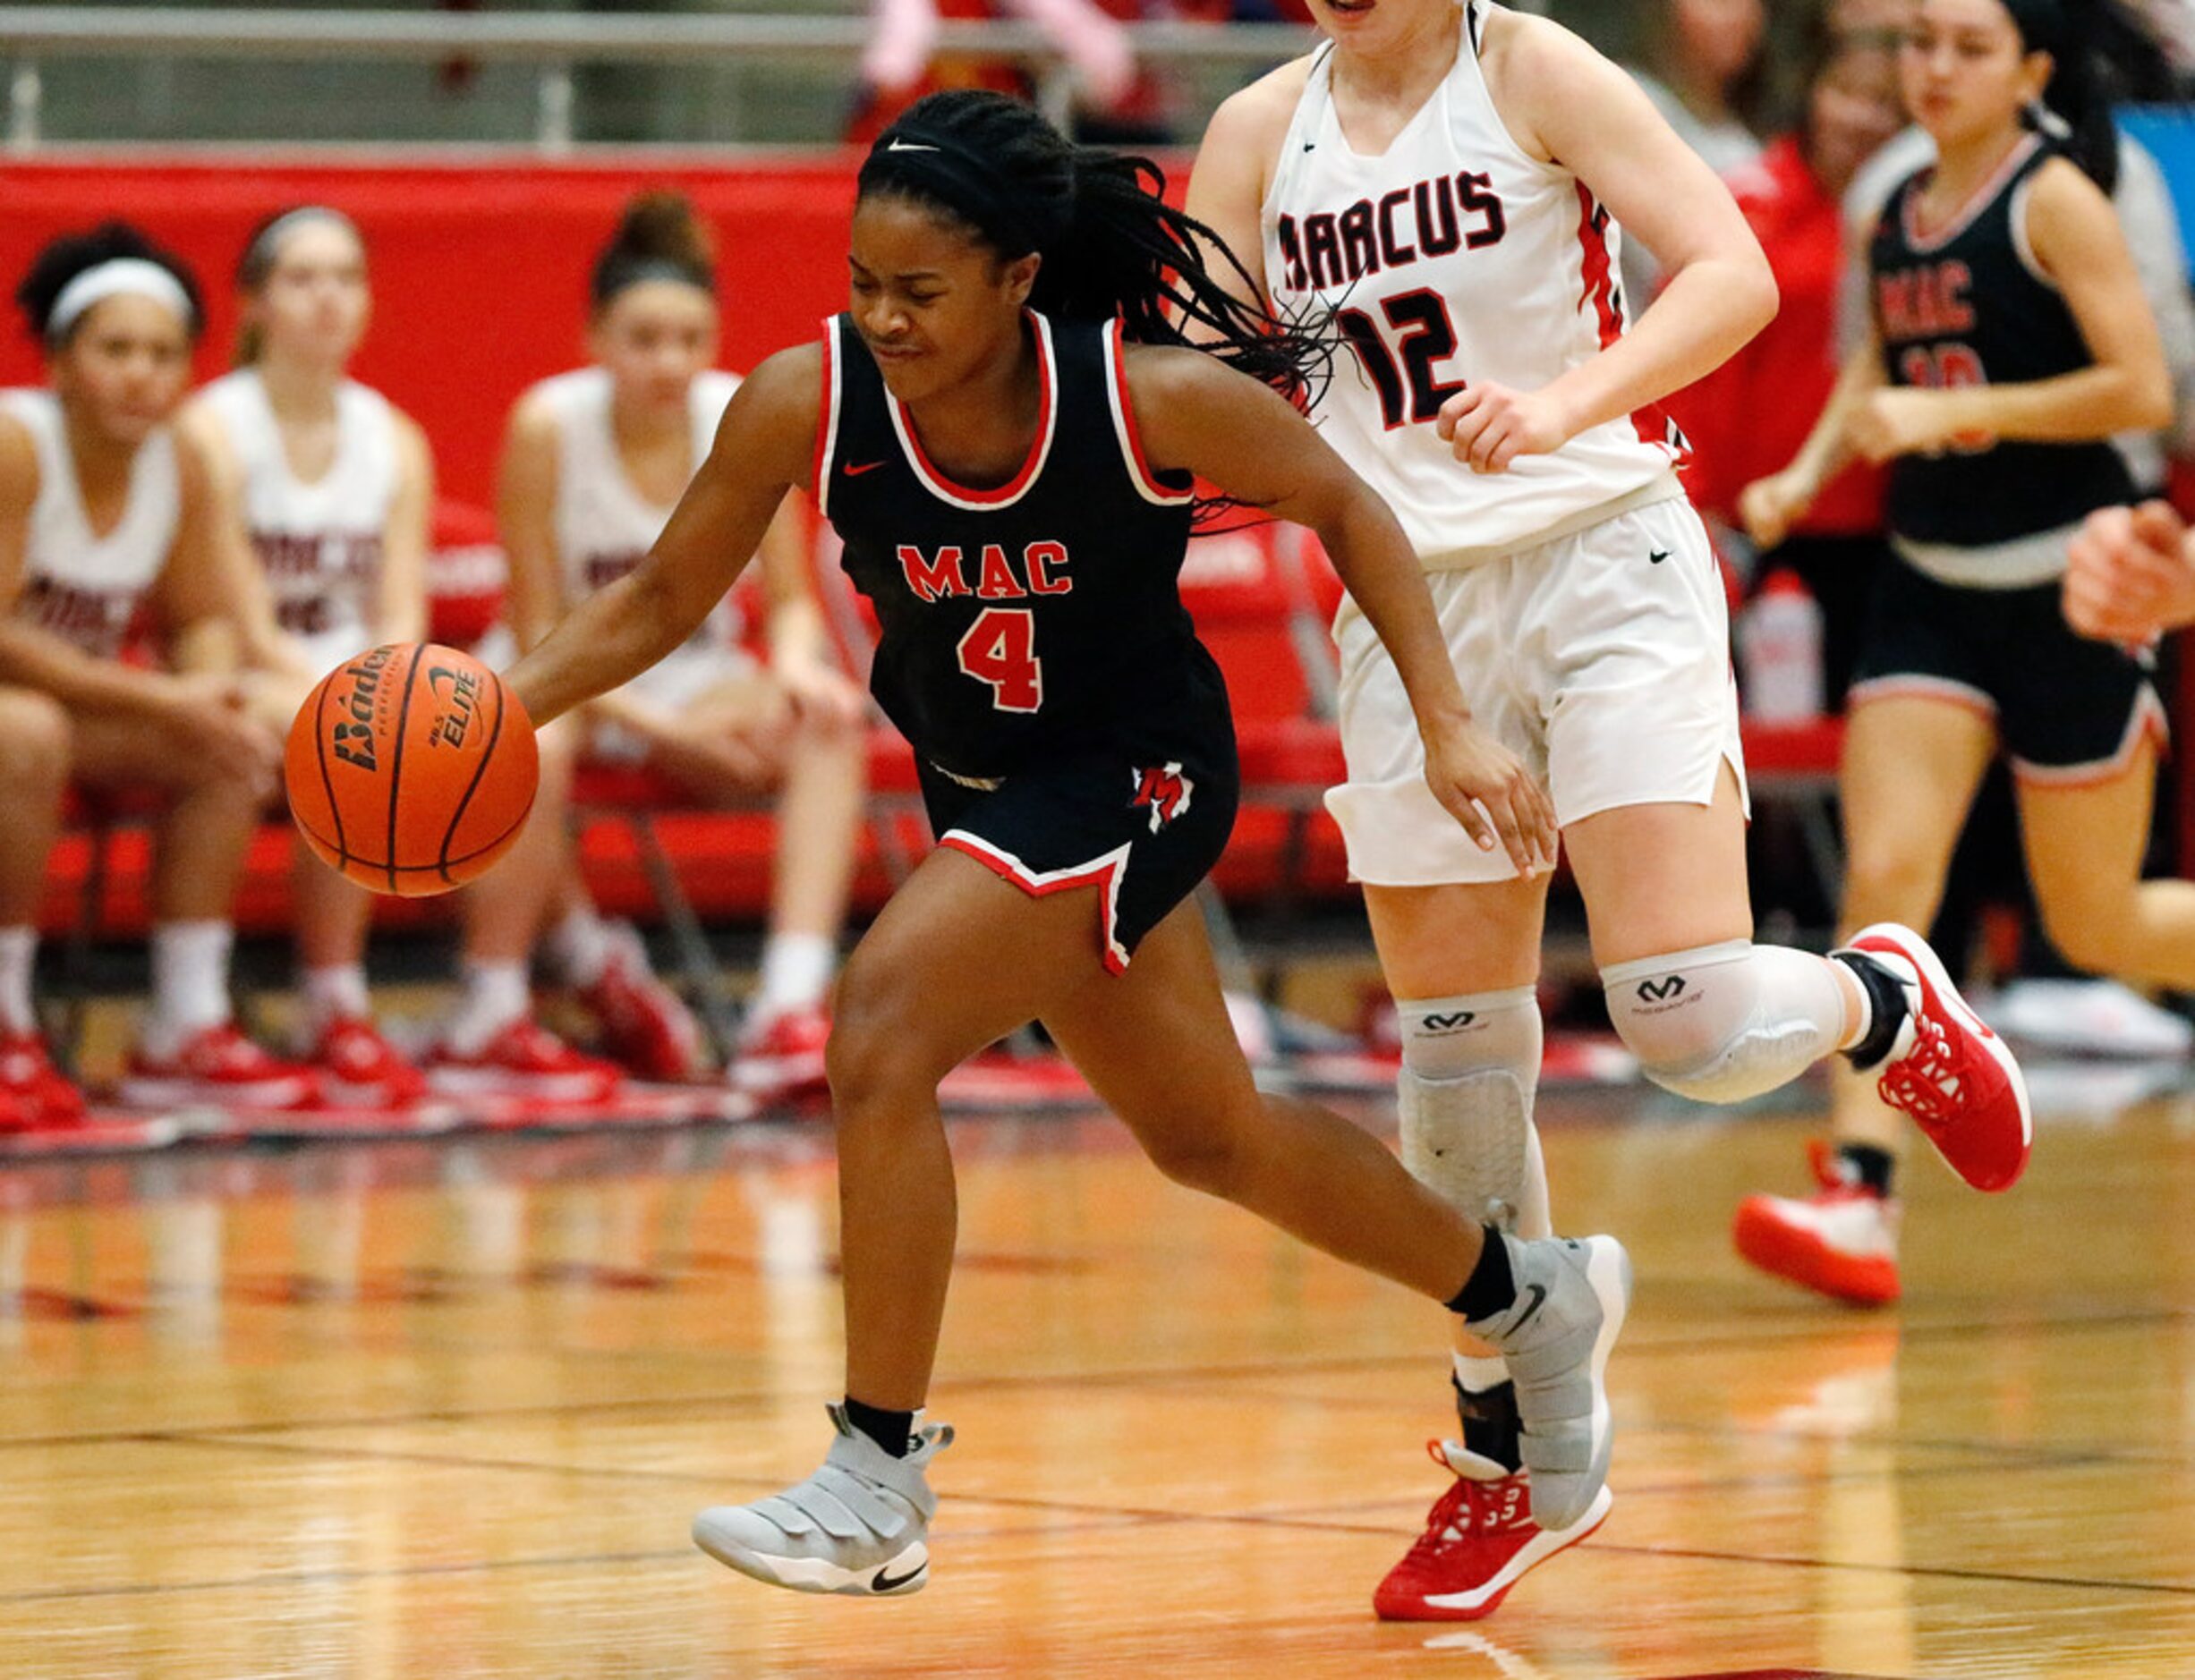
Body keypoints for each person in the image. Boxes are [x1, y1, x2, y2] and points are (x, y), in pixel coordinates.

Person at [500, 87, 1633, 1600]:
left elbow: (1349, 508)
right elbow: (654, 601)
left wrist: (1443, 717)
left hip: (1139, 771)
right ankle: (1526, 1298)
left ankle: (876, 1473)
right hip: (985, 785)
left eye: (919, 291)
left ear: (1017, 279)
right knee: (1209, 1137)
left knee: (880, 1033)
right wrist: (504, 704)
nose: (881, 319)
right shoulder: (803, 398)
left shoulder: (1140, 395)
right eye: (862, 285)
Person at [1183, 0, 2029, 1623]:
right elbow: (1203, 371)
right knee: (1452, 1073)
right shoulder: (1249, 134)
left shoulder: (1531, 67)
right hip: (1401, 604)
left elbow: (1733, 272)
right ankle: (1521, 1460)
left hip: (1600, 556)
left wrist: (1568, 399)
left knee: (1682, 1013)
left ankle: (1877, 997)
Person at [1733, 0, 2182, 1304]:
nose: (1931, 70)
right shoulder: (1896, 205)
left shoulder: (2060, 201)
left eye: (1967, 49)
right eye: (1918, 45)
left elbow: (2142, 390)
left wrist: (1958, 408)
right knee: (1890, 874)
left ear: (2031, 71)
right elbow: (1879, 364)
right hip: (1928, 589)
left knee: (2098, 921)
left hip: (2071, 587)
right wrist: (1803, 470)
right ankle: (1857, 1199)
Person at [182, 205, 625, 1110]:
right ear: (255, 303)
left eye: (346, 278)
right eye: (304, 279)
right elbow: (236, 614)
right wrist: (358, 701)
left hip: (345, 678)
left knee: (512, 735)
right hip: (239, 674)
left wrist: (393, 692)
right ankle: (327, 1000)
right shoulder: (212, 430)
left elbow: (398, 614)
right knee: (352, 731)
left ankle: (490, 1006)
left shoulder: (393, 438)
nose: (328, 299)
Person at [494, 192, 868, 1100]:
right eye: (642, 338)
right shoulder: (546, 427)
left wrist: (790, 665)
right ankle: (499, 1003)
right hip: (569, 679)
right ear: (595, 339)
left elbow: (788, 603)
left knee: (829, 717)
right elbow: (543, 633)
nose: (667, 361)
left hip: (693, 676)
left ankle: (786, 1004)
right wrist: (667, 738)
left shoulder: (744, 412)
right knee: (524, 744)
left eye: (687, 339)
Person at [0, 223, 320, 1124]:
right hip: (25, 714)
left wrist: (208, 691)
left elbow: (203, 617)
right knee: (24, 733)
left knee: (232, 738)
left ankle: (186, 1023)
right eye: (115, 350)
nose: (140, 373)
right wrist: (163, 694)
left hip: (68, 709)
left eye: (162, 354)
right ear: (59, 362)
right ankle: (7, 1023)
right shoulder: (16, 447)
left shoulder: (179, 458)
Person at [1664, 18, 1905, 704]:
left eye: (1884, 101)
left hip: (1880, 523)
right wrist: (1693, 503)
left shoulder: (1916, 215)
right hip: (1750, 521)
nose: (1862, 116)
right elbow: (1685, 364)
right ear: (1812, 93)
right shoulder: (1746, 201)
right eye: (1847, 92)